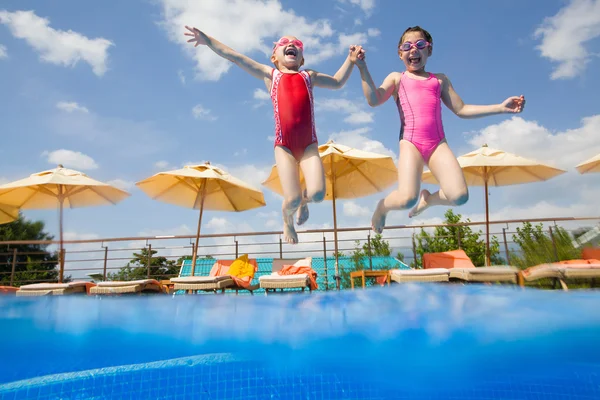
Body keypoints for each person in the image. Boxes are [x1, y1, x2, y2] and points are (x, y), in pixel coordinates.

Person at [184, 26, 364, 243]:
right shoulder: (271, 75)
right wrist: (207, 40)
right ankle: (287, 220)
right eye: (285, 42)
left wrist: (351, 61)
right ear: (274, 57)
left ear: (302, 58)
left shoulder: (309, 76)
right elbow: (235, 57)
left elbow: (337, 82)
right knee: (293, 198)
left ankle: (304, 204)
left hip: (309, 145)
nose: (292, 44)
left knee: (316, 194)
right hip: (285, 146)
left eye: (298, 44)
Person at [353, 26, 525, 234]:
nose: (413, 50)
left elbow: (462, 109)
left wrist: (499, 108)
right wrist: (362, 68)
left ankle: (430, 200)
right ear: (400, 54)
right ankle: (382, 207)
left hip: (437, 143)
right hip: (410, 142)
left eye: (420, 45)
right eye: (407, 46)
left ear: (429, 50)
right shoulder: (397, 78)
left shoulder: (439, 80)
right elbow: (374, 99)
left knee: (459, 195)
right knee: (407, 198)